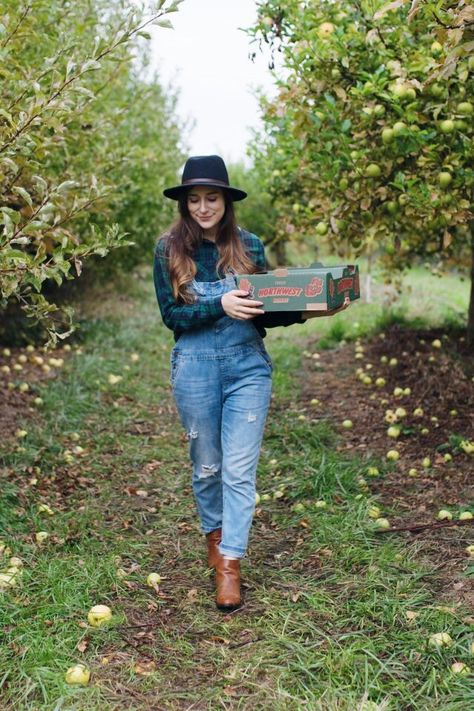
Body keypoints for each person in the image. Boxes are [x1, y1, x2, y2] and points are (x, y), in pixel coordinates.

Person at [153, 155, 349, 611]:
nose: (204, 207)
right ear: (184, 203)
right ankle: (215, 538)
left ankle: (230, 565)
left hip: (247, 367)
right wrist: (220, 303)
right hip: (195, 366)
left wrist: (312, 307)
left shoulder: (249, 245)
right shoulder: (168, 249)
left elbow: (267, 307)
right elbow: (172, 316)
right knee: (208, 466)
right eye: (195, 199)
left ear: (225, 200)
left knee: (240, 470)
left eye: (212, 198)